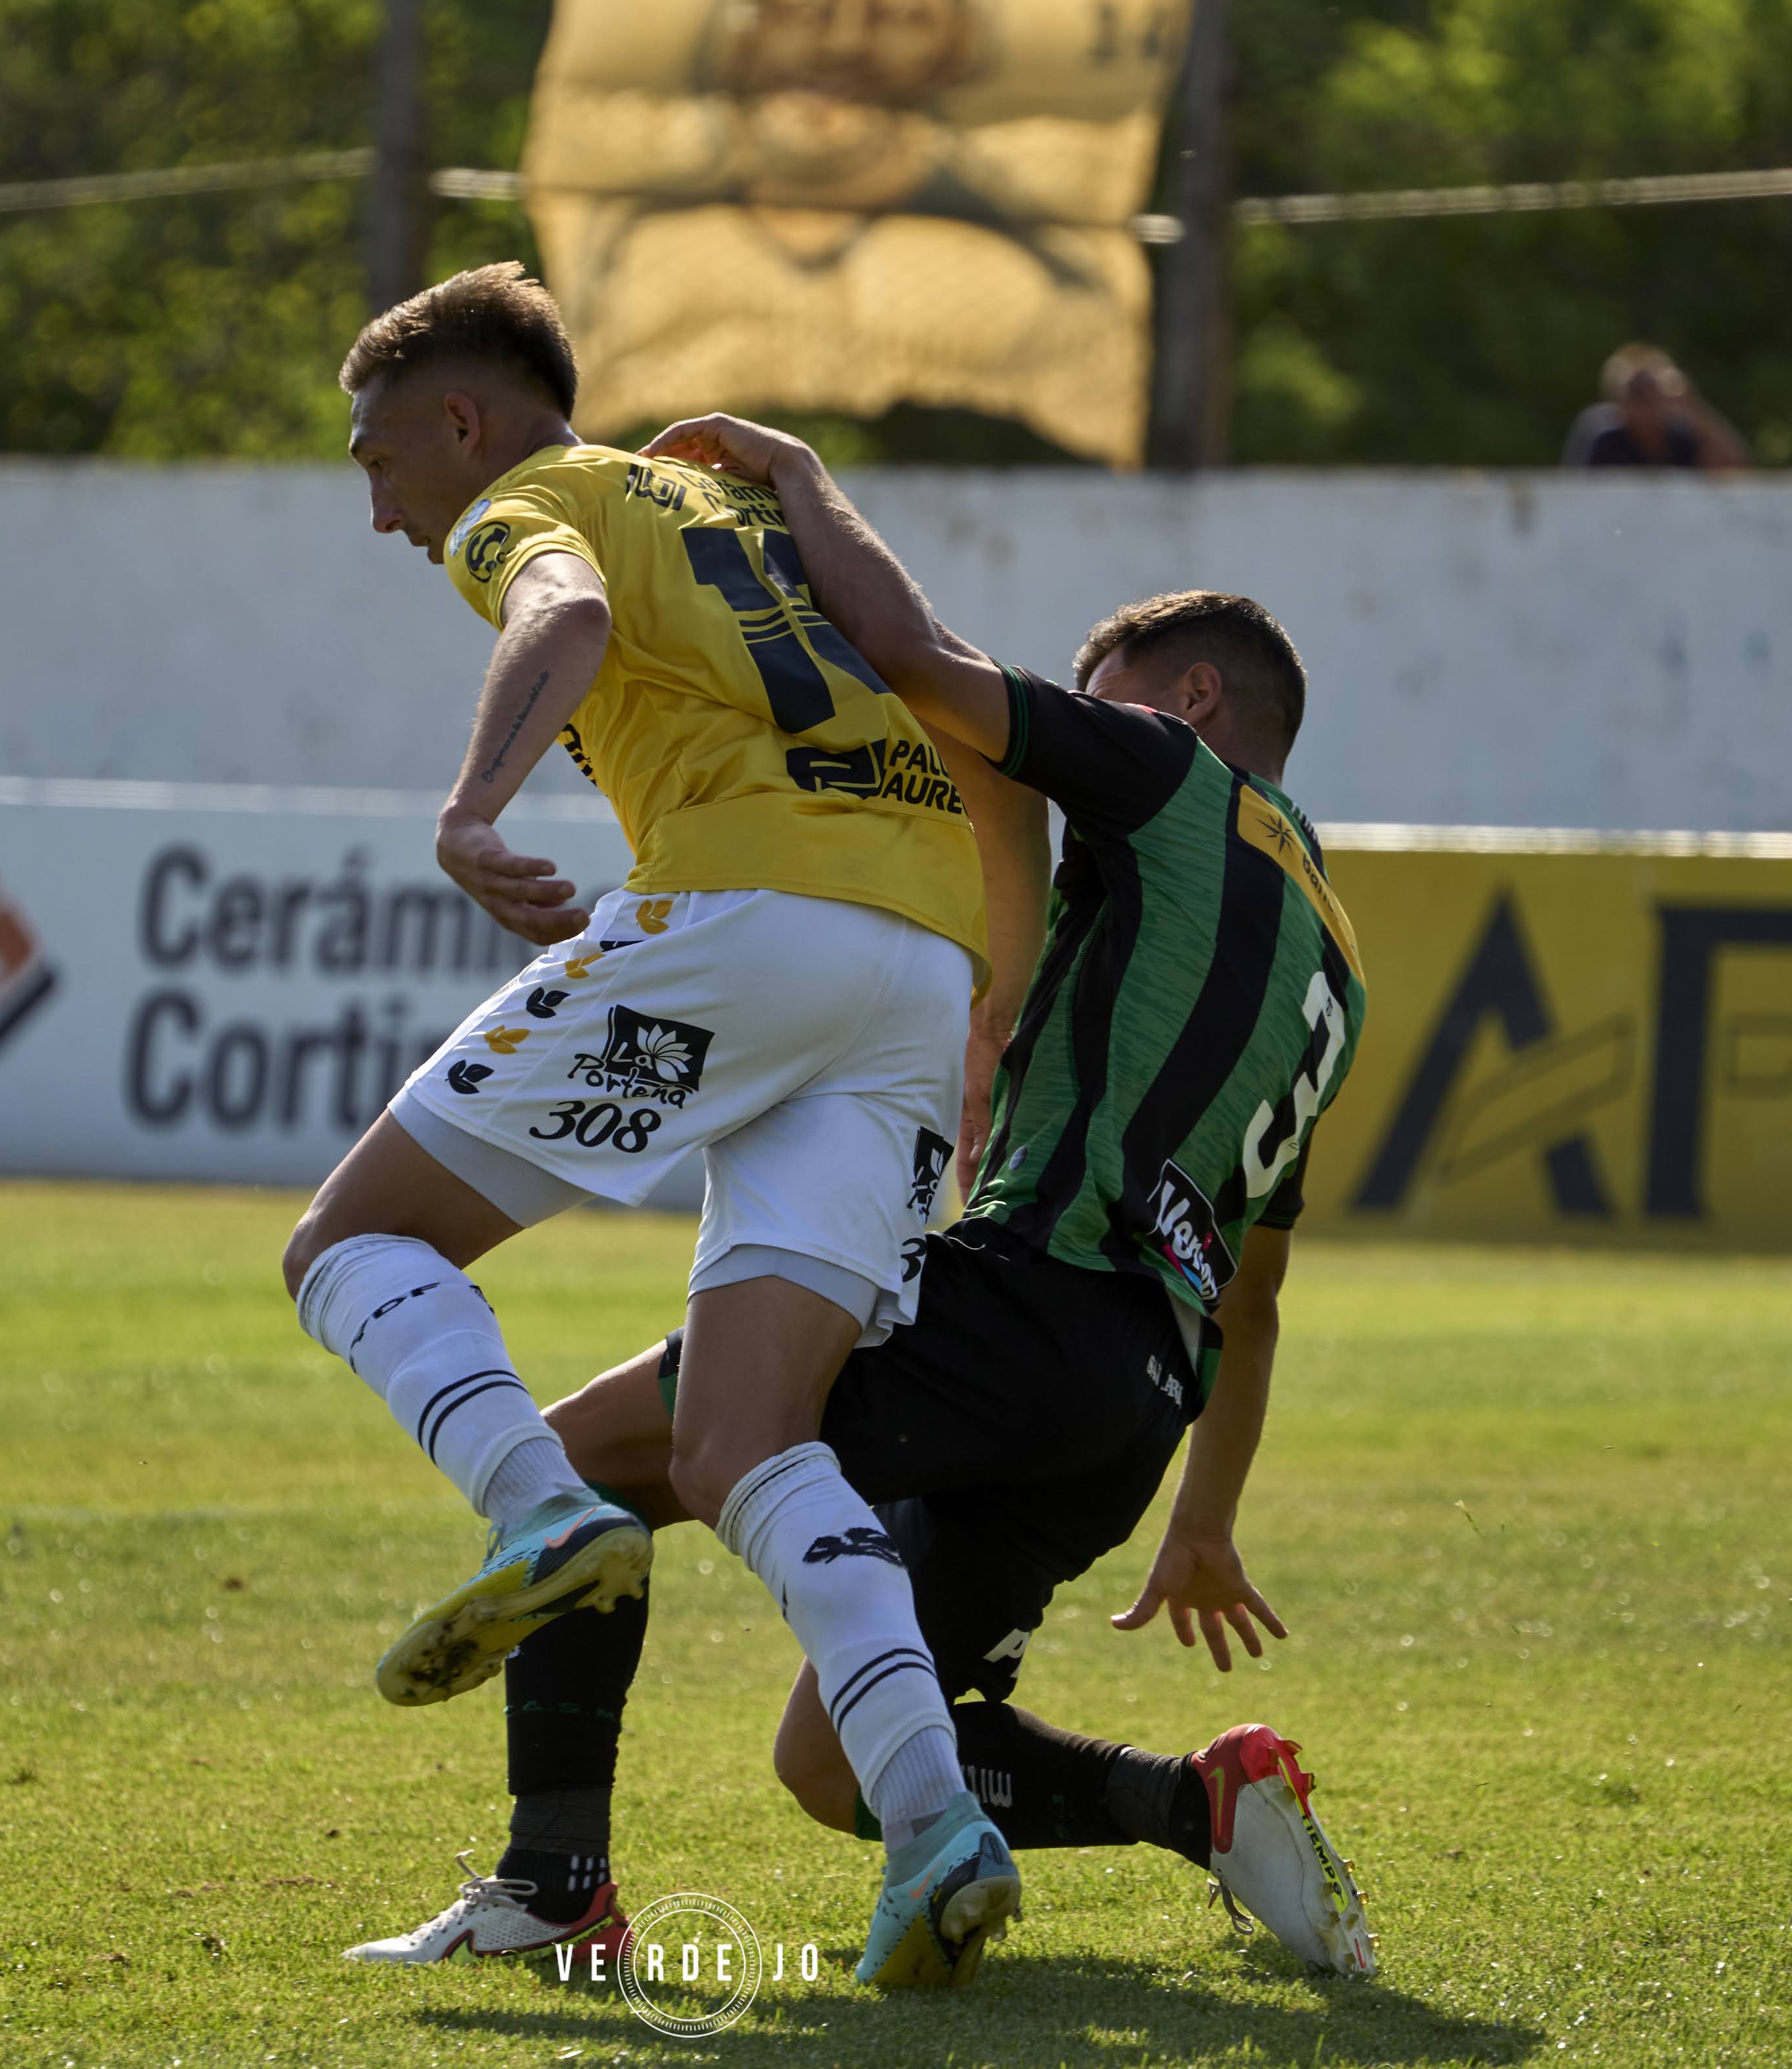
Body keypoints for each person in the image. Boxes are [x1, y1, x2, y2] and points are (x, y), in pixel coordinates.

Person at [345, 414, 1376, 1979]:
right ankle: (1200, 1803)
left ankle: (553, 1882)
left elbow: (915, 662)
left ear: (1189, 699)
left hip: (1021, 1304)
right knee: (829, 1766)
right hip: (1134, 1402)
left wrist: (795, 475)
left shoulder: (1163, 771)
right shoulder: (1333, 965)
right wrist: (1203, 1523)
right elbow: (1257, 1296)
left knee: (577, 1471)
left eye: (1096, 697)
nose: (1068, 729)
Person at [282, 266, 1023, 1989]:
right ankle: (934, 1826)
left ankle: (539, 1514)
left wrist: (471, 813)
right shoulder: (731, 502)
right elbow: (931, 668)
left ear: (461, 420)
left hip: (749, 917)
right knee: (742, 1444)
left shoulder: (529, 501)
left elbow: (562, 619)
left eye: (381, 460)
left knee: (351, 1240)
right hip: (916, 959)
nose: (382, 511)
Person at [1562, 343, 1749, 472]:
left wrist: (1693, 406)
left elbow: (1735, 466)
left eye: (1650, 390)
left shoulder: (1680, 436)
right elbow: (1578, 491)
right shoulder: (1603, 437)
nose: (1644, 404)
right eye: (1636, 392)